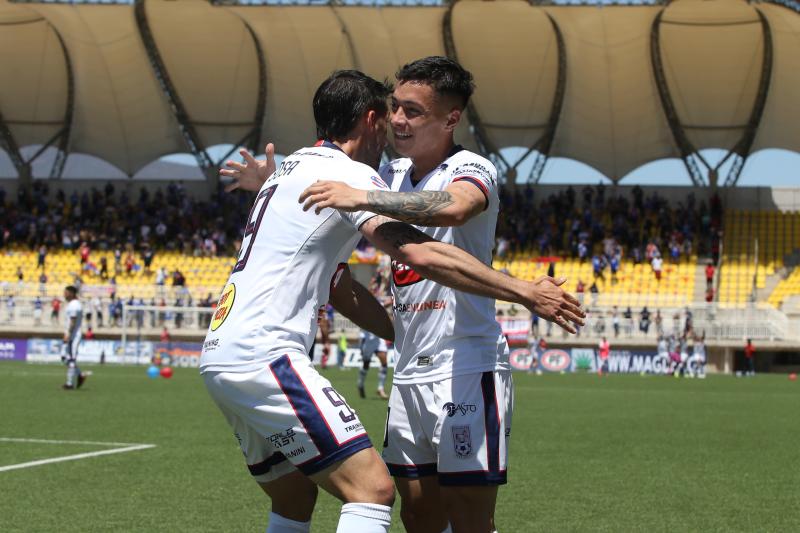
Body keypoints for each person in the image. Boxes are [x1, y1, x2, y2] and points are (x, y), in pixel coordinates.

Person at [217, 68, 583, 533]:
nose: (398, 121)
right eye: (395, 109)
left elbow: (454, 207)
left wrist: (357, 194)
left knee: (469, 516)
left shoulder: (471, 166)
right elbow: (335, 202)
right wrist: (283, 181)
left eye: (413, 111)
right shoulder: (386, 174)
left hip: (466, 362)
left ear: (451, 118)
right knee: (417, 514)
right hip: (408, 371)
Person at [61, 285, 88, 390]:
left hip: (73, 336)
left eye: (66, 292)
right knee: (64, 358)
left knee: (71, 359)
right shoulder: (72, 304)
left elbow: (73, 321)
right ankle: (80, 375)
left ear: (71, 294)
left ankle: (69, 383)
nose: (64, 294)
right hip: (70, 335)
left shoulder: (74, 305)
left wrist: (68, 334)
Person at [357, 328, 389, 399]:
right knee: (366, 365)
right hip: (368, 340)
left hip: (379, 338)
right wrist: (361, 345)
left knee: (384, 364)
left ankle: (380, 388)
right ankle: (360, 384)